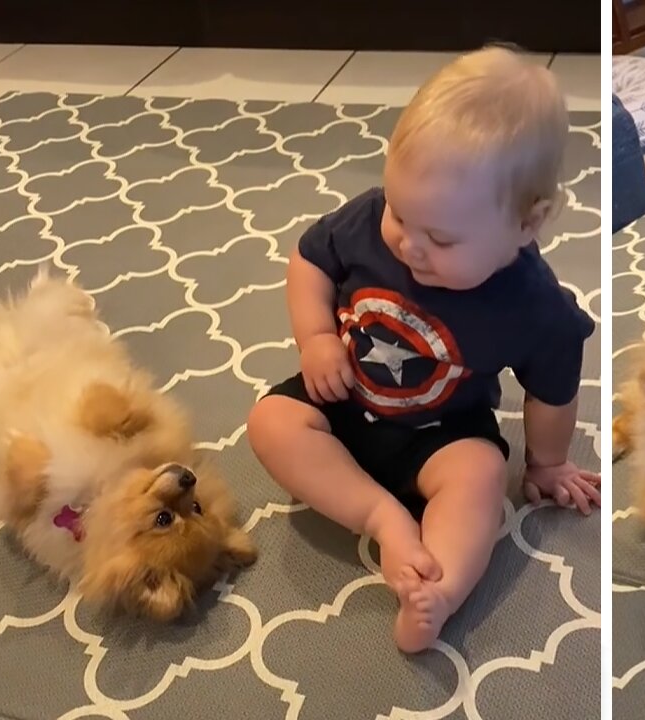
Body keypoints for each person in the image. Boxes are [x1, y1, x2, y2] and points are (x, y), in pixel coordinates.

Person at [246, 46, 600, 652]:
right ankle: (381, 517)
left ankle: (439, 591)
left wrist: (546, 463)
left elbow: (553, 387)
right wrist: (317, 338)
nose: (409, 243)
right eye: (400, 214)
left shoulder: (531, 304)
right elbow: (309, 260)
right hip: (344, 392)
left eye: (439, 237)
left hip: (443, 431)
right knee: (271, 421)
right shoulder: (370, 219)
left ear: (527, 224)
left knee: (483, 477)